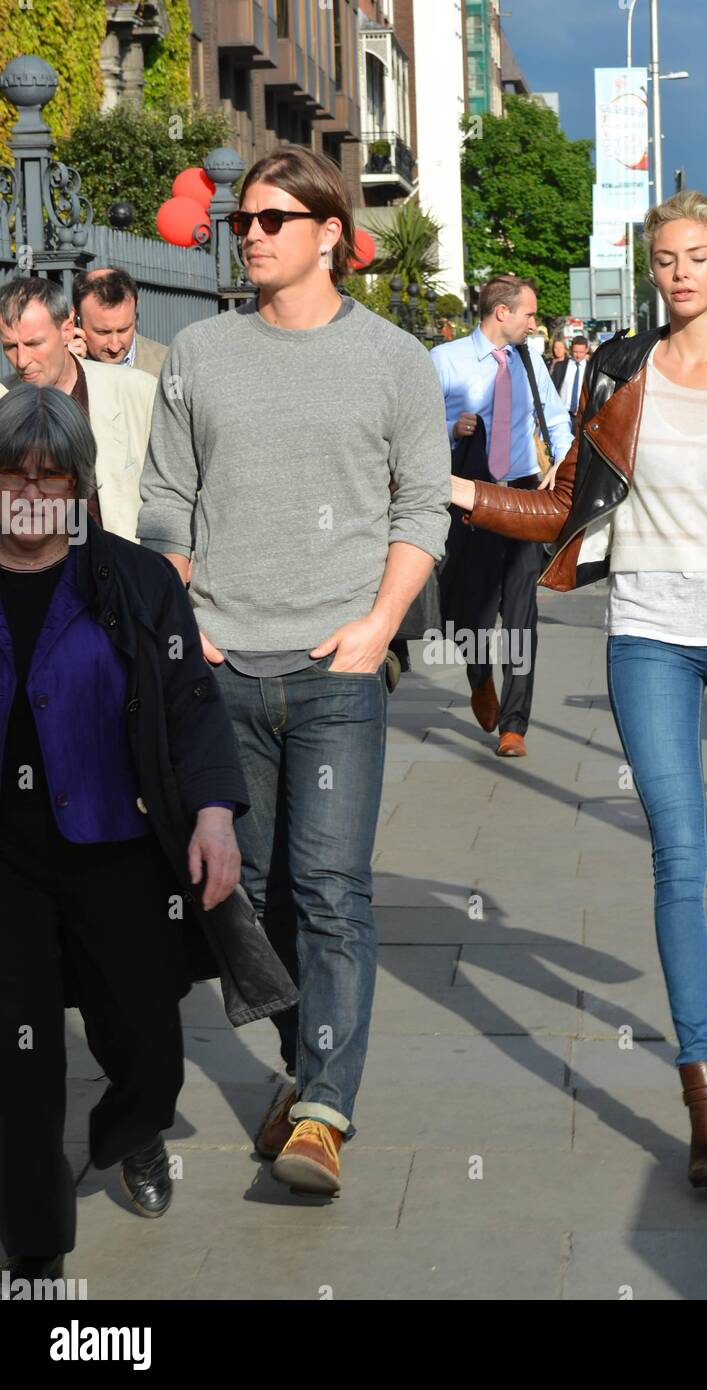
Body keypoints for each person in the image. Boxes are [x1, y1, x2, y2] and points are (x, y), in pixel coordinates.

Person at [449, 189, 707, 1187]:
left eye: (694, 256)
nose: (677, 272)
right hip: (646, 635)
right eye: (663, 259)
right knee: (680, 853)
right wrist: (459, 491)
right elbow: (560, 505)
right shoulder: (616, 369)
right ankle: (703, 1085)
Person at [137, 144, 450, 1197]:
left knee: (330, 889)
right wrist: (184, 620)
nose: (253, 235)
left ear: (330, 235)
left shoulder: (394, 359)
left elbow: (422, 508)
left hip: (336, 674)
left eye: (274, 219)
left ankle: (322, 1109)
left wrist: (377, 629)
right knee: (246, 900)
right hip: (222, 669)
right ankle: (301, 1066)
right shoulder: (201, 355)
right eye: (243, 222)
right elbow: (165, 506)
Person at [0, 385, 295, 1286]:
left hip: (119, 852)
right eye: (13, 474)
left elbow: (192, 711)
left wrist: (214, 816)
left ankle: (133, 1131)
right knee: (20, 1060)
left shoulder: (132, 581)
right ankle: (38, 1247)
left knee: (144, 1041)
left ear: (84, 489)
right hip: (6, 863)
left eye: (53, 477)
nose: (31, 493)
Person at [430, 274, 573, 757]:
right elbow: (417, 433)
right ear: (502, 312)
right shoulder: (444, 360)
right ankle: (478, 676)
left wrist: (563, 470)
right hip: (469, 497)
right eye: (529, 314)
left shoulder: (530, 360)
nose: (535, 324)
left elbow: (555, 420)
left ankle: (515, 725)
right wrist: (453, 427)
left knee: (520, 612)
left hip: (524, 496)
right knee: (467, 609)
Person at [0, 278, 156, 541]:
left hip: (122, 572)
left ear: (68, 329)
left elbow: (176, 489)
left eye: (34, 343)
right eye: (10, 347)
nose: (22, 361)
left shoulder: (137, 392)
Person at [69, 267, 168, 377]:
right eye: (102, 332)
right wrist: (65, 370)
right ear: (76, 319)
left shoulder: (167, 365)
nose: (114, 347)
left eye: (123, 330)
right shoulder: (60, 367)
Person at [551, 335, 589, 414]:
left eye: (581, 352)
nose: (578, 355)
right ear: (571, 349)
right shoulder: (560, 366)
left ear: (586, 350)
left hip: (583, 414)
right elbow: (552, 389)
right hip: (563, 413)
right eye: (575, 352)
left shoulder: (591, 368)